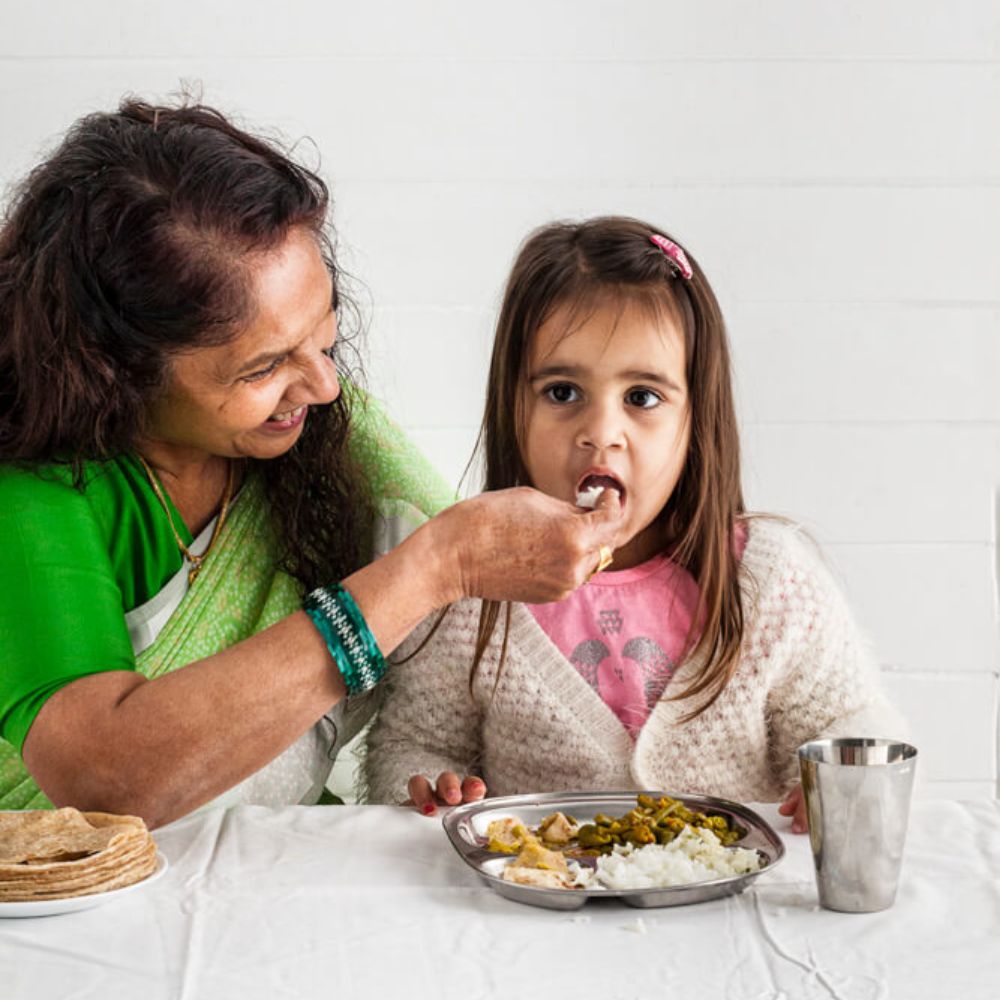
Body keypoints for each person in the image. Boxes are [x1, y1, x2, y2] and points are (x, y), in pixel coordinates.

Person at [0, 102, 624, 829]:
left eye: (323, 341)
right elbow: (103, 778)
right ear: (115, 370)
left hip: (279, 865)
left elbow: (478, 639)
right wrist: (432, 567)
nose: (325, 388)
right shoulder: (32, 491)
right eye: (263, 368)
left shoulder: (312, 426)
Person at [363, 216, 906, 833]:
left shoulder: (769, 577)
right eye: (562, 392)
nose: (601, 432)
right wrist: (432, 788)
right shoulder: (469, 586)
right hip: (540, 909)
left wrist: (844, 775)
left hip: (724, 907)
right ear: (513, 406)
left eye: (642, 398)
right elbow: (409, 745)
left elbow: (852, 721)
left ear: (695, 419)